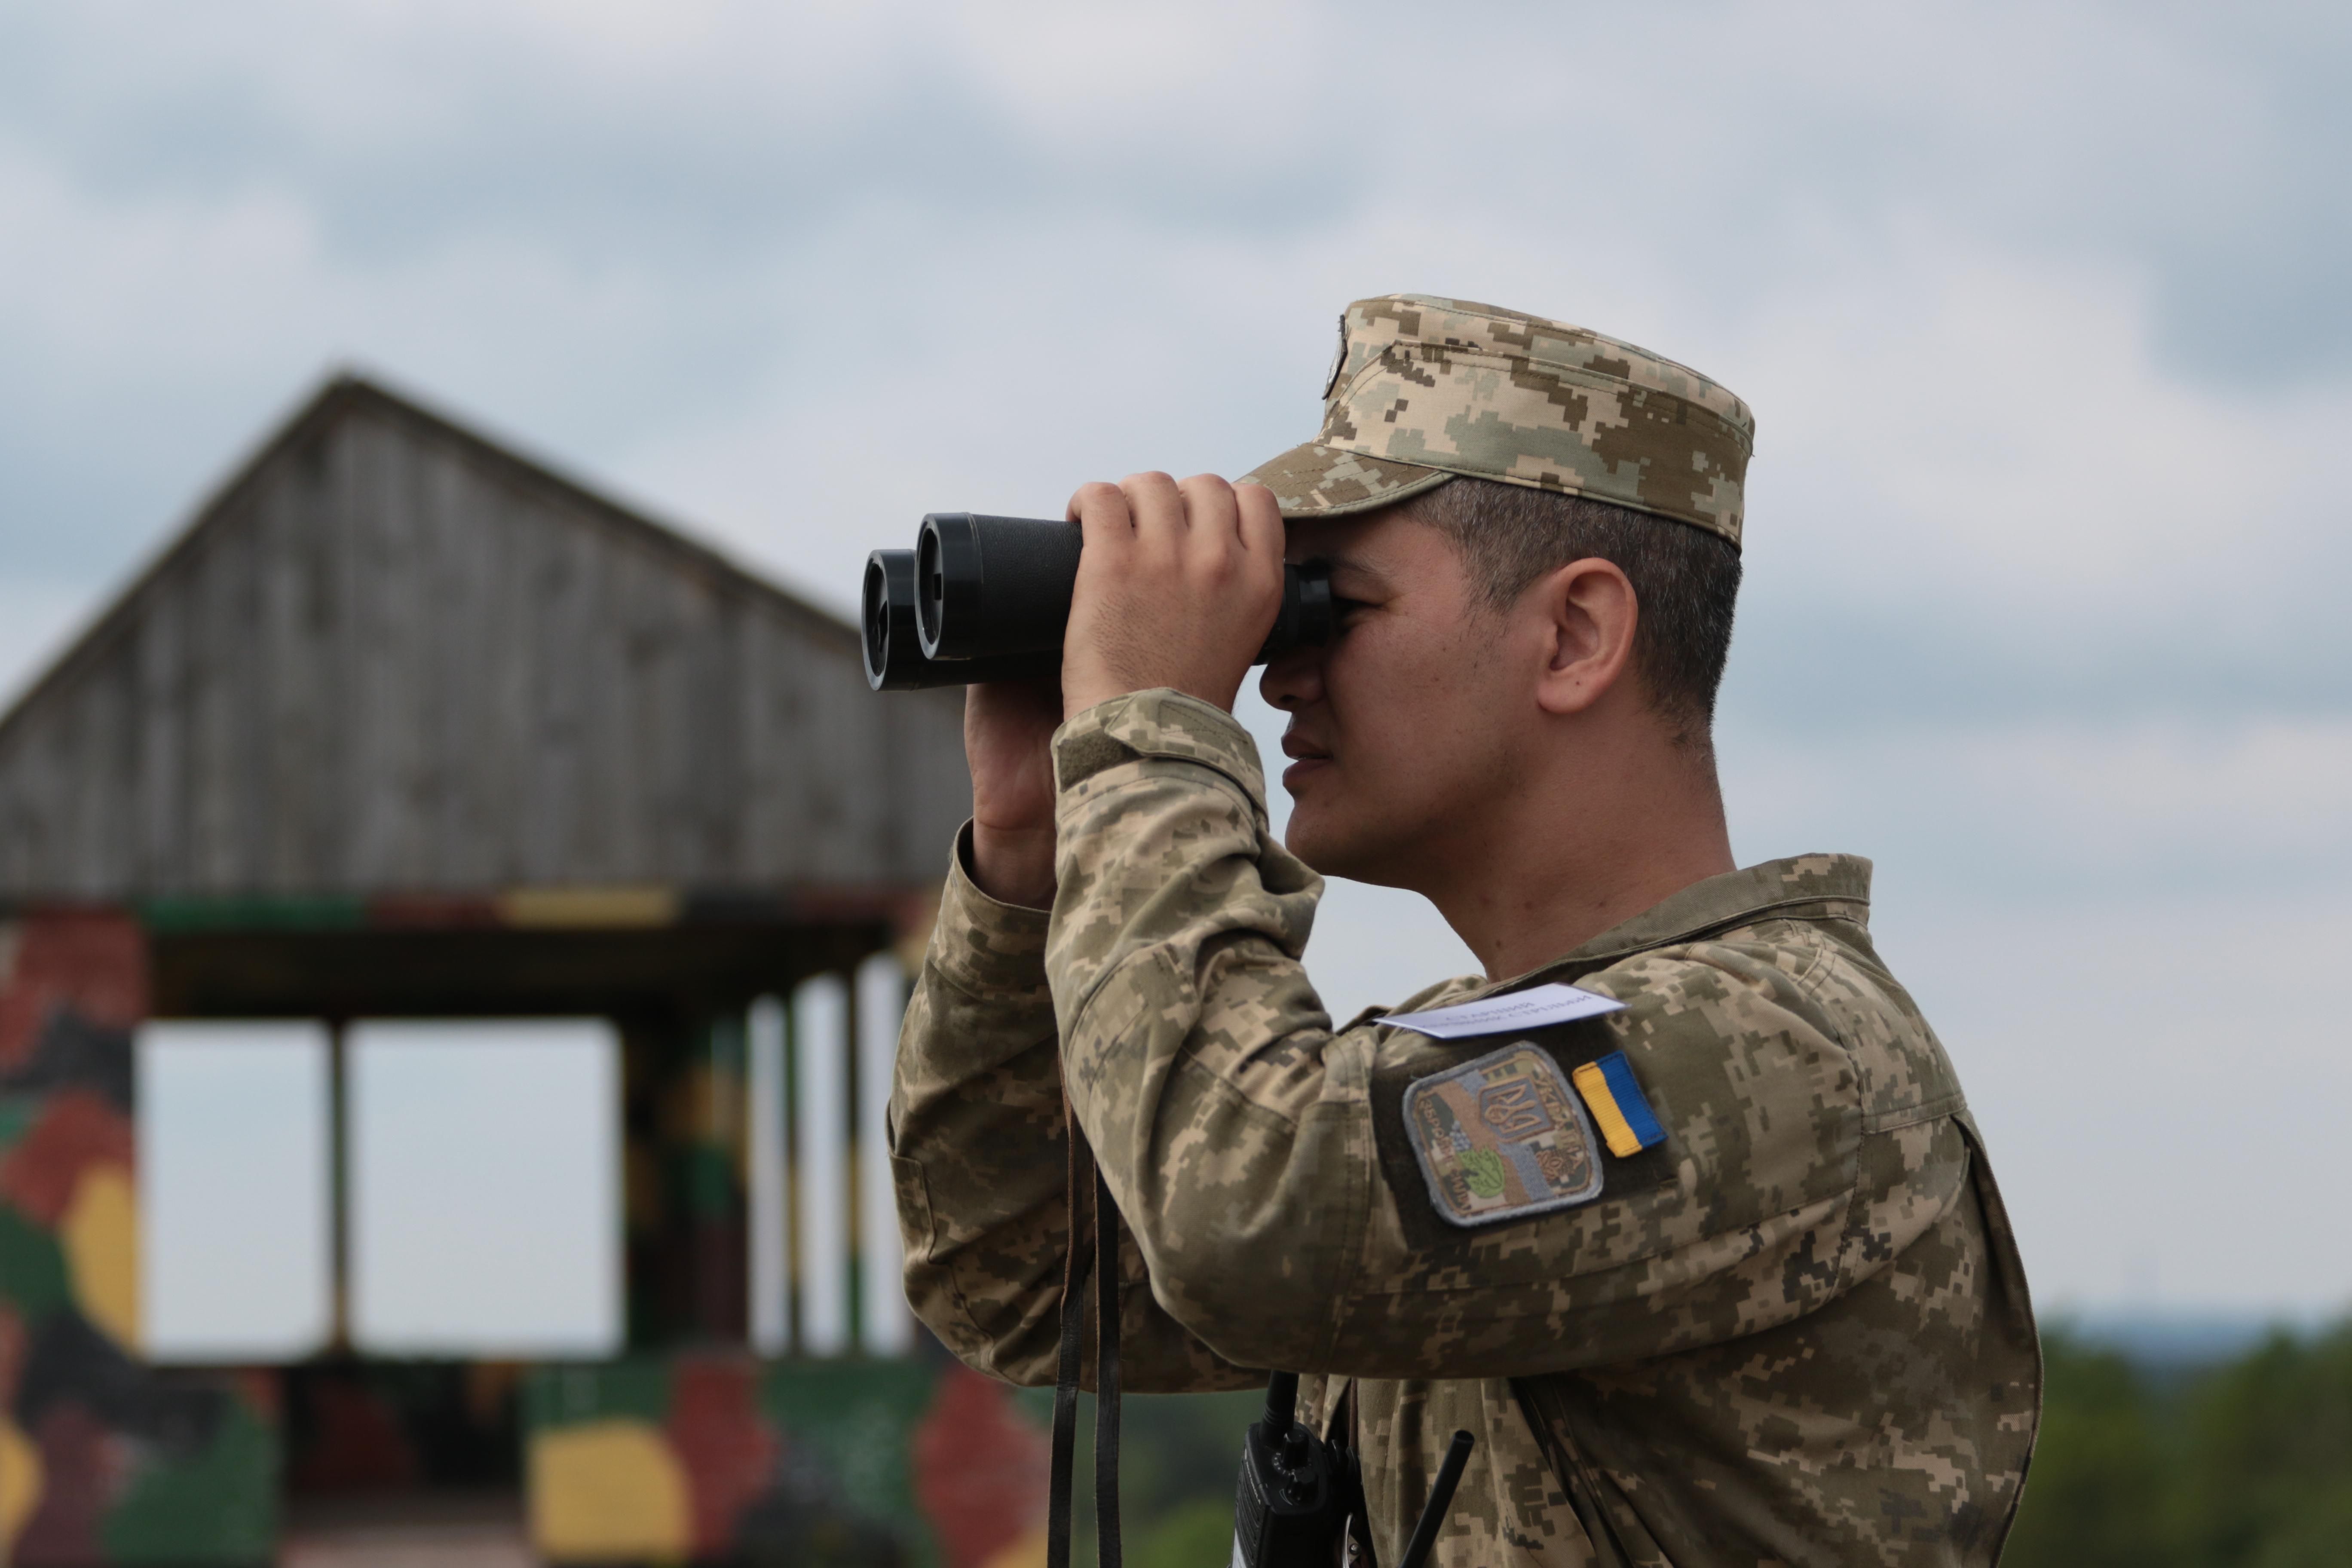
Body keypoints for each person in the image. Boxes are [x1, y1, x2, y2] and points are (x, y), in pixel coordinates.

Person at [887, 294, 2040, 1567]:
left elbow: (1245, 1217)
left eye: (1334, 608)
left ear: (1574, 635)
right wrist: (1030, 860)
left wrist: (1148, 733)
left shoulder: (1788, 1053)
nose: (1275, 677)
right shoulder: (1473, 1060)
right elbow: (1027, 1279)